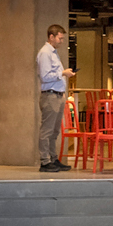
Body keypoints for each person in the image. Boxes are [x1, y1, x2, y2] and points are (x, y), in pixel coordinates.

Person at [37, 24, 75, 172]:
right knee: (46, 131)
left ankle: (53, 158)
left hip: (57, 95)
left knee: (54, 131)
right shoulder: (45, 53)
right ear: (51, 37)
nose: (61, 41)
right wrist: (63, 73)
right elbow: (45, 77)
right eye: (60, 38)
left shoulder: (53, 53)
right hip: (50, 96)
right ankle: (45, 161)